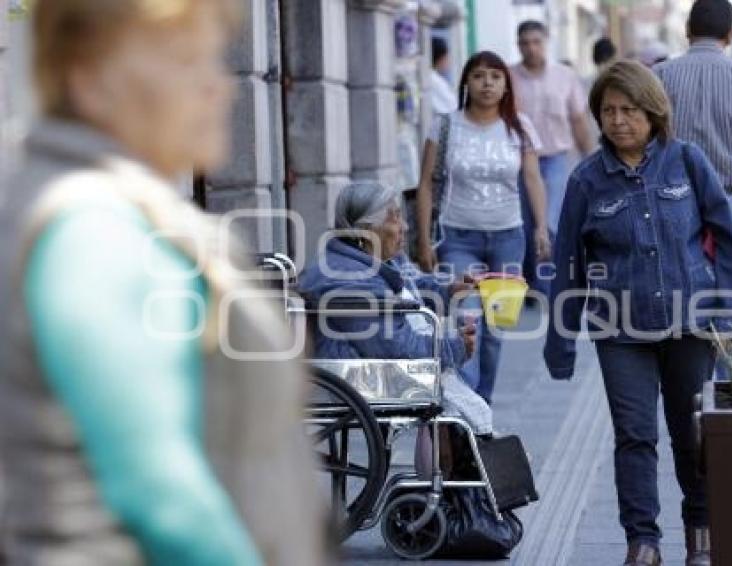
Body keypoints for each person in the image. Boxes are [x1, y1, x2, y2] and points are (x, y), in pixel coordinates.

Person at [0, 1, 323, 564]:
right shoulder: (95, 229)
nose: (217, 87)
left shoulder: (108, 208)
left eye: (213, 59)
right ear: (90, 78)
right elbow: (161, 497)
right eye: (184, 60)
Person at [544, 61, 732, 566]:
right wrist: (560, 340)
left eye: (629, 110)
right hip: (620, 329)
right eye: (608, 111)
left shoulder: (687, 162)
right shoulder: (587, 180)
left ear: (654, 112)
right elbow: (568, 260)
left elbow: (727, 240)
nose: (618, 121)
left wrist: (724, 311)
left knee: (691, 432)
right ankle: (644, 541)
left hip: (688, 323)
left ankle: (701, 531)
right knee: (634, 434)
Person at [299, 181, 492, 433]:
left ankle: (459, 450)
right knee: (455, 387)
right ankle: (459, 451)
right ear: (366, 231)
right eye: (395, 218)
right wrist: (453, 348)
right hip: (359, 376)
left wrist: (447, 291)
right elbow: (397, 348)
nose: (405, 227)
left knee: (458, 382)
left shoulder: (374, 258)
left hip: (372, 365)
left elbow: (412, 285)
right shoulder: (349, 280)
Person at [415, 50, 551, 404]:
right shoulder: (445, 126)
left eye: (495, 76)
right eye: (478, 76)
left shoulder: (519, 127)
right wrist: (425, 242)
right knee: (466, 321)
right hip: (457, 238)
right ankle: (465, 408)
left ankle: (481, 406)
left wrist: (540, 227)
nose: (487, 83)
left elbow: (533, 180)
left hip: (508, 238)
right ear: (466, 83)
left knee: (495, 331)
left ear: (506, 85)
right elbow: (426, 183)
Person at [654, 0, 732, 249]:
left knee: (677, 283)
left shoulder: (658, 76)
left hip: (673, 200)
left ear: (688, 30)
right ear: (731, 34)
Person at [510, 20, 594, 299]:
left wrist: (590, 158)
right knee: (525, 222)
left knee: (551, 223)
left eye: (536, 41)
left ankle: (549, 286)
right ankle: (529, 283)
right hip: (519, 162)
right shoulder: (508, 77)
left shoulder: (564, 76)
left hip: (555, 158)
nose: (531, 48)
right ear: (518, 45)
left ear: (545, 41)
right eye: (525, 43)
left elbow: (578, 119)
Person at [430, 36, 457, 116]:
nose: (449, 61)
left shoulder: (434, 78)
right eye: (447, 57)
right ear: (441, 58)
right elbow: (453, 107)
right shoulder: (434, 80)